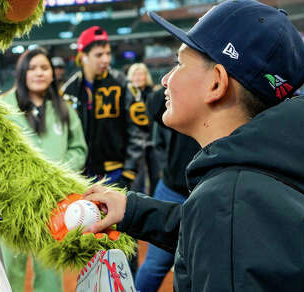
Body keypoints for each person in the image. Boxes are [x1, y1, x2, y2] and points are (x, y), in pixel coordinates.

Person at [84, 0, 304, 291]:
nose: (165, 79)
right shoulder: (269, 174)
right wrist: (133, 210)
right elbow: (229, 238)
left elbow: (229, 229)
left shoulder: (232, 198)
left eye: (179, 64)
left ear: (216, 83)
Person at [0, 48, 87, 292]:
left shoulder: (64, 109)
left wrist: (57, 173)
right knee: (9, 269)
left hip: (52, 203)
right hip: (12, 202)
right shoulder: (4, 107)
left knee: (49, 270)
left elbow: (78, 149)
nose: (39, 73)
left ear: (52, 73)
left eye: (44, 68)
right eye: (33, 67)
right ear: (22, 73)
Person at [60, 26, 148, 189]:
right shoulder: (68, 90)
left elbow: (138, 131)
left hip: (116, 174)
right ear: (84, 56)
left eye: (107, 53)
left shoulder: (123, 85)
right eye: (99, 55)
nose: (106, 59)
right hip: (81, 175)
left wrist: (129, 172)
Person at [133, 83, 200, 292]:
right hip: (175, 187)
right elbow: (154, 105)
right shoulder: (188, 86)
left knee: (202, 268)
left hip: (210, 190)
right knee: (155, 265)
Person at [126, 62, 158, 194]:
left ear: (146, 76)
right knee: (137, 179)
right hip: (134, 143)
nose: (138, 77)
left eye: (141, 74)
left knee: (156, 175)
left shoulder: (154, 93)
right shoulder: (126, 95)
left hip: (152, 141)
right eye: (135, 74)